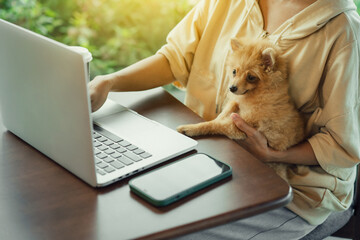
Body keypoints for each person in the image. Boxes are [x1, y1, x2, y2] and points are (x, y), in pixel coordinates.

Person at [89, 0, 360, 239]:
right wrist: (109, 81)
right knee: (118, 213)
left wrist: (270, 154)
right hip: (205, 158)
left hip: (291, 192)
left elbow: (341, 145)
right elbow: (174, 59)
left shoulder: (343, 31)